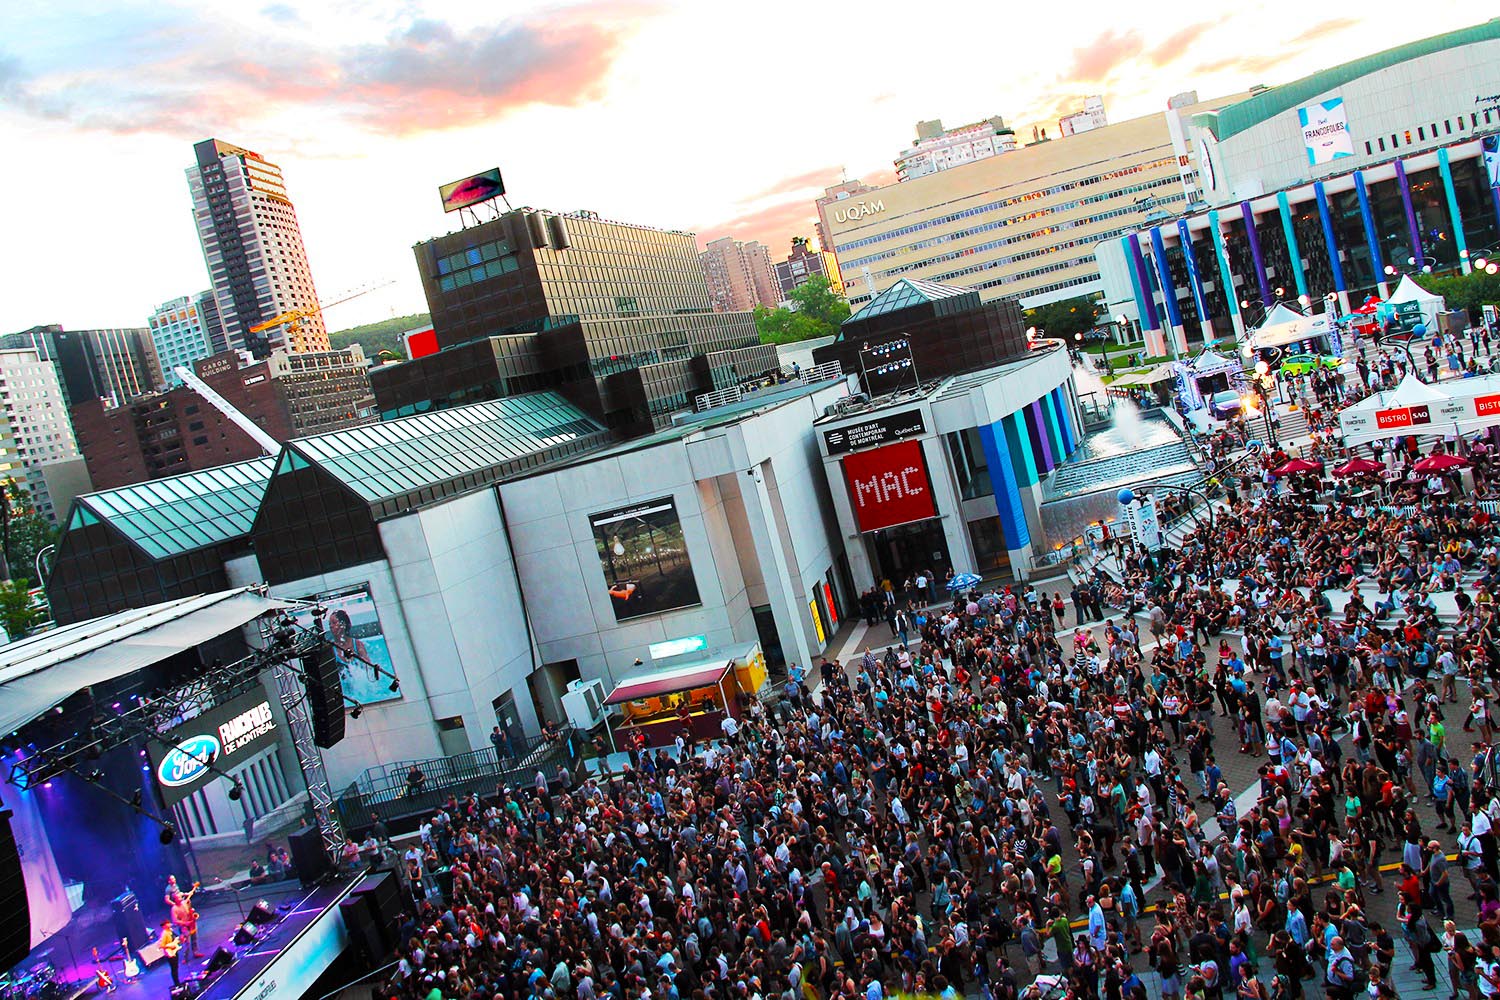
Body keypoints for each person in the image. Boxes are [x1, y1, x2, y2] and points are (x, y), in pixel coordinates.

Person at [159, 921, 181, 986]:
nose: (169, 924)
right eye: (167, 924)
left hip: (174, 951)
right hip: (170, 953)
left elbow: (175, 939)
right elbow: (161, 945)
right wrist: (170, 946)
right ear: (164, 926)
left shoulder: (171, 931)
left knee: (176, 967)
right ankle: (176, 983)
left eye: (169, 923)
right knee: (174, 968)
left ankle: (177, 982)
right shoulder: (164, 934)